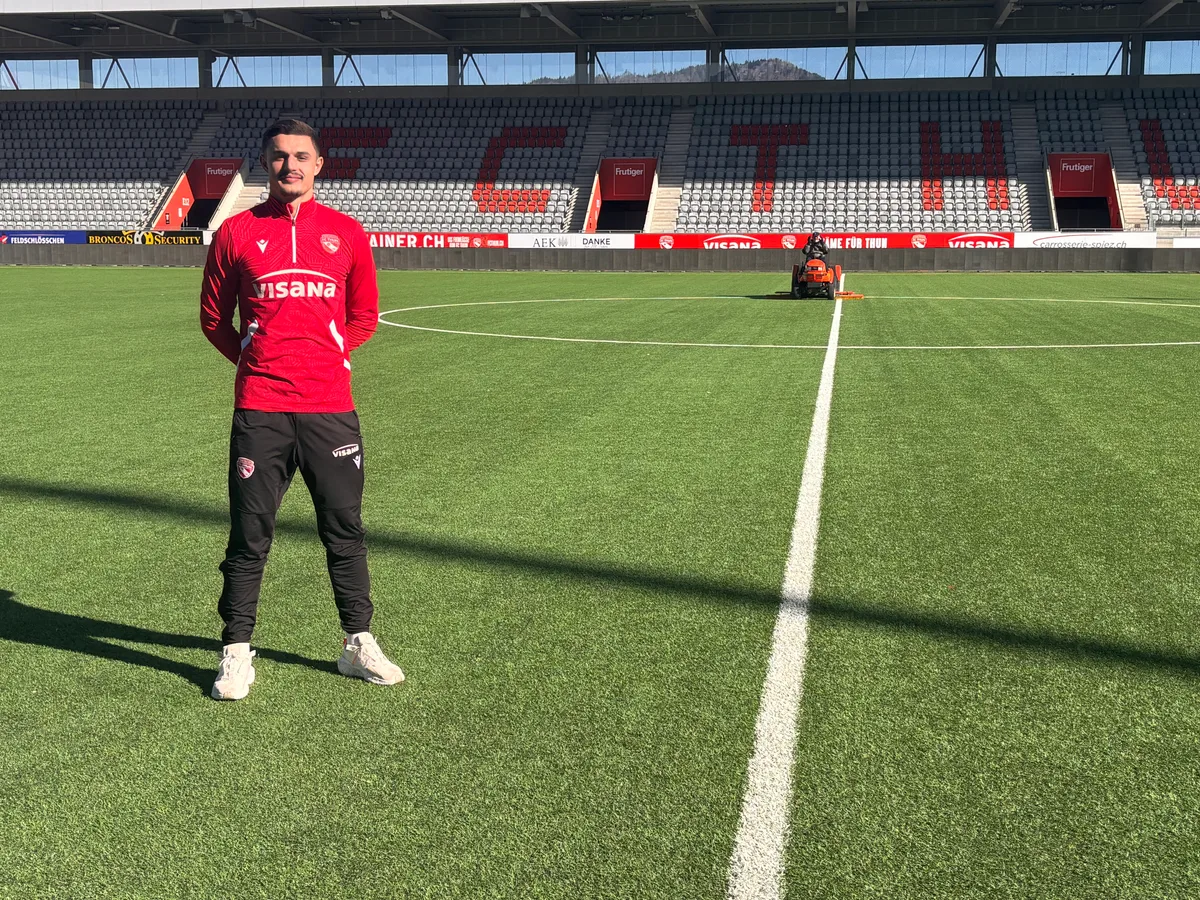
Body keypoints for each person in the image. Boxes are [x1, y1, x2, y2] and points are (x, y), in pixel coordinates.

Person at [200, 118, 404, 701]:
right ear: (265, 162)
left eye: (301, 156)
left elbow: (364, 314)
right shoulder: (237, 232)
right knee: (249, 532)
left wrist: (336, 350)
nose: (290, 165)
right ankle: (236, 651)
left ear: (319, 164)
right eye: (280, 156)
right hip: (260, 408)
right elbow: (214, 319)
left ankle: (357, 642)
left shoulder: (347, 232)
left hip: (329, 407)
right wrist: (250, 354)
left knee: (344, 530)